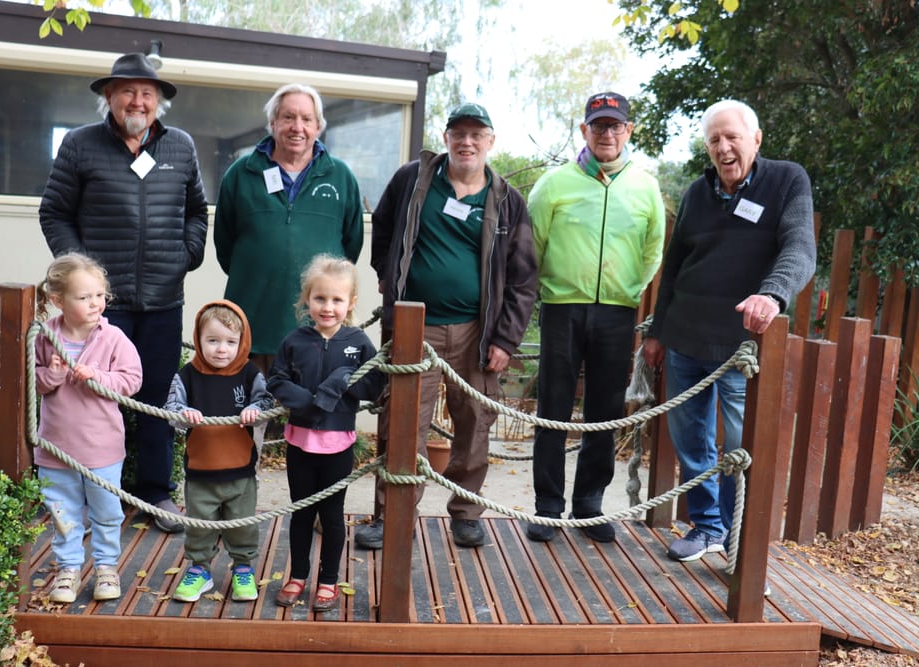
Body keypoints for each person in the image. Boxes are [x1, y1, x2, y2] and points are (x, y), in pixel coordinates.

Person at [355, 102, 538, 550]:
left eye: (477, 134)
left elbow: (523, 278)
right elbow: (383, 226)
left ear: (490, 141)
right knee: (402, 425)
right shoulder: (413, 180)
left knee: (475, 423)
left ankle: (466, 514)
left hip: (478, 331)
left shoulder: (507, 200)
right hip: (414, 327)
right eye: (459, 133)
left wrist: (505, 339)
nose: (467, 142)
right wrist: (386, 274)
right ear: (446, 138)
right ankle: (391, 514)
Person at [39, 52, 209, 534]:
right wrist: (81, 275)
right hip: (98, 308)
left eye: (147, 93)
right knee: (87, 397)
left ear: (158, 102)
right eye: (128, 91)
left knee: (154, 400)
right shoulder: (80, 145)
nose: (138, 101)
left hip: (162, 301)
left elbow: (197, 212)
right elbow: (54, 212)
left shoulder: (180, 146)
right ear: (109, 97)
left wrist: (185, 255)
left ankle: (155, 494)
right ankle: (81, 495)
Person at [642, 99, 816, 563]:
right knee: (691, 443)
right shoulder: (697, 194)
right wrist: (657, 331)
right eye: (714, 140)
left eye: (732, 137)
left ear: (755, 139)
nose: (723, 148)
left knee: (741, 449)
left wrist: (772, 294)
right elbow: (674, 267)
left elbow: (800, 247)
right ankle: (707, 528)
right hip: (685, 339)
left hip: (742, 348)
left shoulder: (787, 180)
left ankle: (738, 537)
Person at [525, 92, 666, 543]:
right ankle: (548, 506)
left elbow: (653, 250)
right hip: (562, 308)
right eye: (599, 125)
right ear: (584, 130)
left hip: (617, 312)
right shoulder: (554, 184)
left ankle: (589, 504)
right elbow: (532, 246)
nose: (607, 133)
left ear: (628, 131)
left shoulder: (645, 186)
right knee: (553, 406)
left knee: (604, 410)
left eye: (615, 125)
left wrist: (628, 290)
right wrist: (551, 289)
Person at [215, 83, 364, 379]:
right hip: (252, 324)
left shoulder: (341, 177)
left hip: (318, 330)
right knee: (249, 404)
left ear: (318, 126)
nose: (298, 127)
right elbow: (225, 245)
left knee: (310, 404)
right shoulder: (241, 174)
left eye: (307, 119)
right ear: (273, 122)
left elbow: (350, 247)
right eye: (288, 117)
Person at [267, 254, 386, 612]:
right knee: (302, 513)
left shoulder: (358, 342)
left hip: (338, 447)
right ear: (307, 299)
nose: (328, 307)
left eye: (337, 299)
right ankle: (298, 576)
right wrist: (306, 401)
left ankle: (329, 580)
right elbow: (277, 380)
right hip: (300, 444)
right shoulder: (295, 341)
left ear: (351, 302)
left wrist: (341, 382)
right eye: (320, 298)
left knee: (333, 517)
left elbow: (374, 384)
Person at [34, 253, 143, 604]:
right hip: (55, 448)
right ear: (58, 301)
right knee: (62, 513)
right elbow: (32, 382)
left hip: (101, 449)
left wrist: (97, 376)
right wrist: (52, 373)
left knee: (106, 512)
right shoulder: (45, 337)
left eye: (99, 295)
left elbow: (132, 380)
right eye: (84, 297)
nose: (95, 303)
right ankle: (68, 568)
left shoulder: (113, 338)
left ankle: (106, 567)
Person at [164, 300, 274, 603]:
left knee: (242, 525)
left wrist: (255, 409)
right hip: (201, 472)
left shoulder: (250, 374)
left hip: (240, 472)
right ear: (198, 340)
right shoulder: (187, 375)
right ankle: (200, 569)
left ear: (242, 342)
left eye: (230, 342)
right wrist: (184, 414)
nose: (221, 349)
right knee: (200, 526)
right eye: (212, 340)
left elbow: (267, 401)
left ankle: (243, 568)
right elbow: (171, 409)